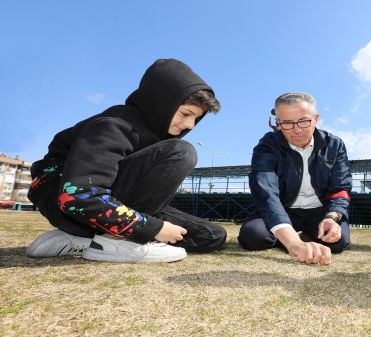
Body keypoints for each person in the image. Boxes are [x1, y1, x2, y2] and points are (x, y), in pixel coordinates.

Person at [25, 58, 227, 263]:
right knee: (182, 152)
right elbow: (77, 197)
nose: (190, 125)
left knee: (211, 235)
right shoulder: (113, 126)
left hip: (106, 207)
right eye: (186, 114)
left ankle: (85, 240)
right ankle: (117, 242)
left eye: (196, 119)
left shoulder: (155, 136)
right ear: (162, 102)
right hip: (69, 206)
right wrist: (152, 228)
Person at [238, 92, 352, 265]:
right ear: (278, 122)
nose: (297, 130)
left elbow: (340, 188)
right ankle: (292, 236)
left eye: (304, 121)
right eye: (287, 123)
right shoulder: (267, 145)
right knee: (253, 236)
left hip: (320, 211)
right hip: (283, 209)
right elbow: (266, 192)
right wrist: (293, 243)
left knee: (337, 242)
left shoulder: (335, 145)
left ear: (315, 118)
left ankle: (293, 236)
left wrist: (332, 217)